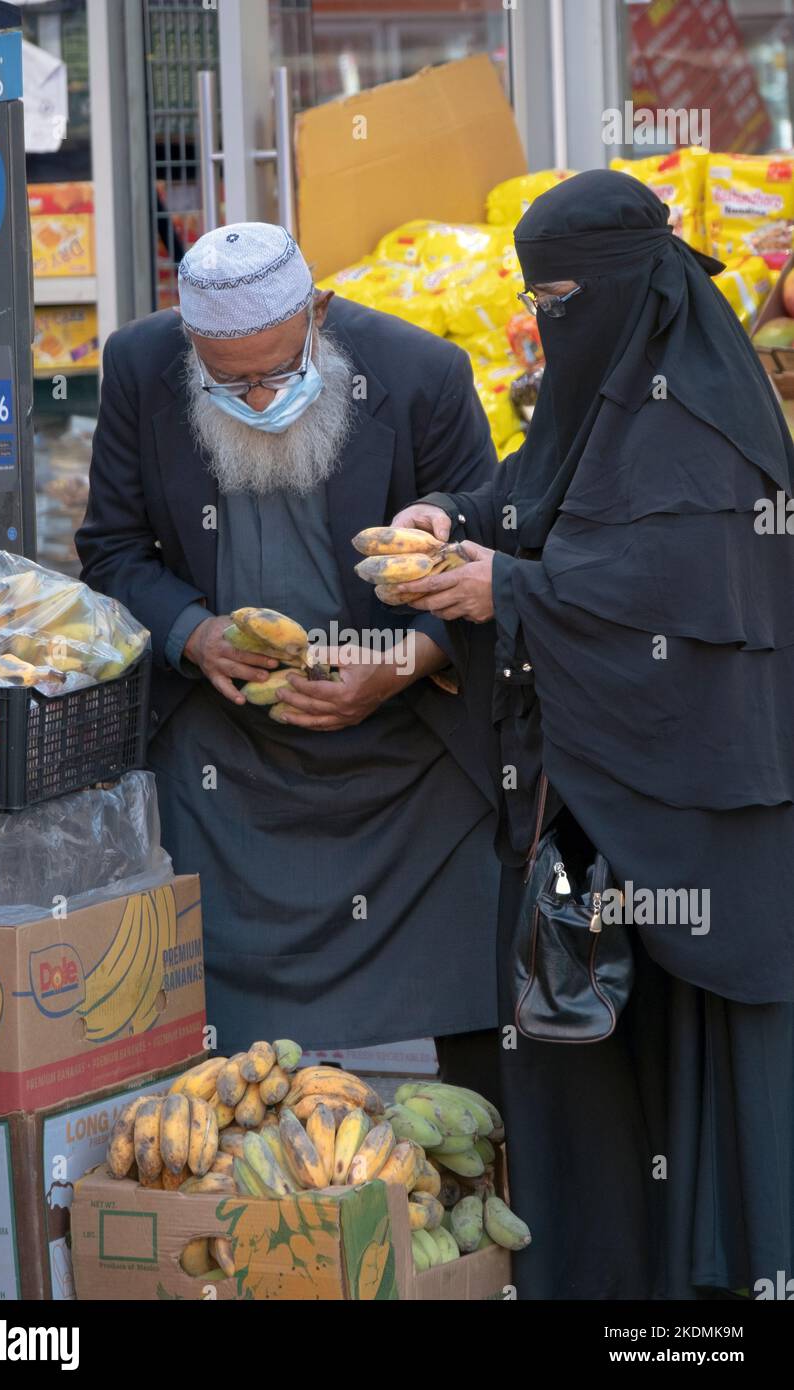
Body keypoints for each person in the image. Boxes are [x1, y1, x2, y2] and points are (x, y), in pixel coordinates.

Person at [391, 169, 794, 1300]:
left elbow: (667, 583)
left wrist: (508, 594)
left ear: (622, 287)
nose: (546, 319)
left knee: (676, 1068)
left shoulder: (700, 419)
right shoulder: (610, 379)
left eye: (563, 294)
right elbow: (543, 493)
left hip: (691, 817)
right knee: (597, 1083)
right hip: (602, 808)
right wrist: (454, 522)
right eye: (535, 297)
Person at [76, 221, 501, 1085]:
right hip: (227, 746)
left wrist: (402, 665)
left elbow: (490, 563)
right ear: (190, 343)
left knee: (461, 983)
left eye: (277, 373)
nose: (259, 399)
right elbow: (113, 550)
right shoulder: (138, 364)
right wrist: (194, 634)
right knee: (223, 1044)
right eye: (227, 381)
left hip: (402, 744)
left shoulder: (423, 373)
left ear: (319, 312)